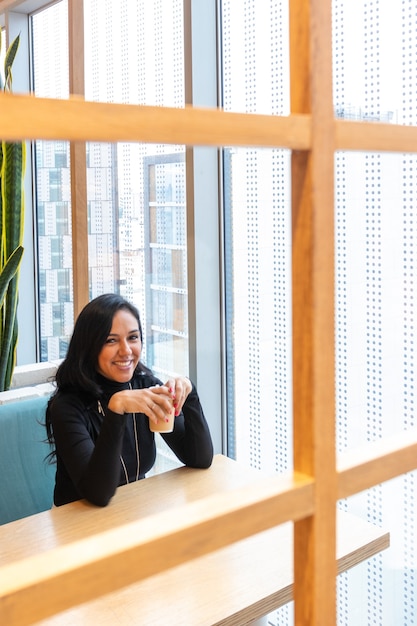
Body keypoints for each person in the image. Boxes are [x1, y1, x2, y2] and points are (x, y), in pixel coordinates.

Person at [45, 293, 213, 507]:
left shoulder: (145, 386)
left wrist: (190, 396)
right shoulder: (67, 406)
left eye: (133, 337)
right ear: (89, 346)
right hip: (78, 523)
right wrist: (118, 407)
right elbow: (98, 493)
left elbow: (199, 459)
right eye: (111, 340)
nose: (126, 351)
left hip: (133, 511)